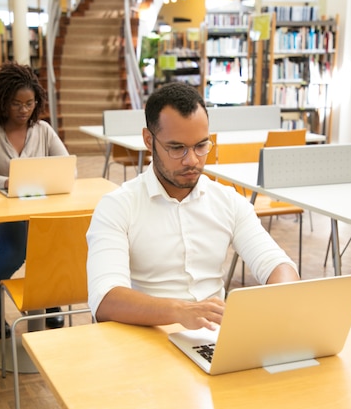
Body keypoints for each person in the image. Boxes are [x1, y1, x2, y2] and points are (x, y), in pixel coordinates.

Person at [86, 82, 300, 330]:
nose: (192, 160)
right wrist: (181, 311)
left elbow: (278, 265)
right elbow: (105, 300)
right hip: (146, 337)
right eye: (177, 148)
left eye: (201, 146)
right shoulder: (118, 206)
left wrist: (281, 296)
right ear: (148, 140)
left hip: (213, 338)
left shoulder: (227, 201)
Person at [0, 62, 68, 338]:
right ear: (1, 101)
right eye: (16, 104)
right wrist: (8, 182)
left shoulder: (43, 130)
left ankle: (47, 298)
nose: (24, 110)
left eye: (29, 103)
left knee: (54, 237)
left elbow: (66, 165)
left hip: (35, 213)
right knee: (17, 245)